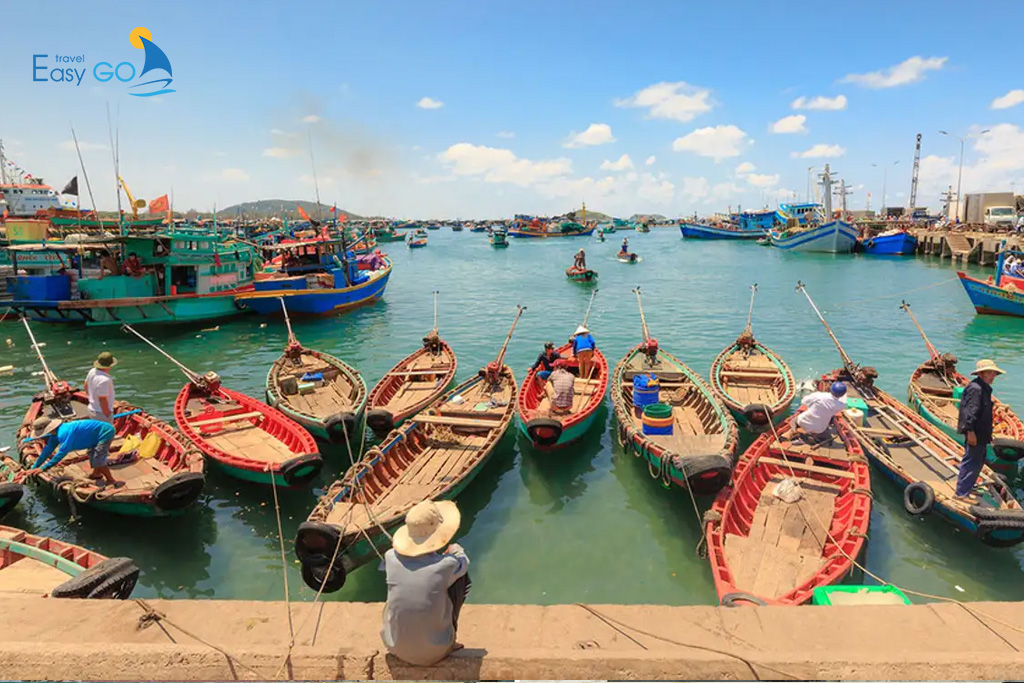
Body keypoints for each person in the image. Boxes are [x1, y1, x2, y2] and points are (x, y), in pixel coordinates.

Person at [381, 500, 470, 666]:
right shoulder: (446, 565)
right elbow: (464, 562)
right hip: (436, 651)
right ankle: (450, 638)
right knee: (461, 579)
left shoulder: (389, 556)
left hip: (394, 646)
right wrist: (454, 549)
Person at [17, 417, 121, 487]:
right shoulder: (55, 435)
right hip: (93, 436)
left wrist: (43, 468)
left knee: (98, 458)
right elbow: (47, 451)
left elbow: (62, 453)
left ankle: (111, 480)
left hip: (105, 432)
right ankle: (96, 474)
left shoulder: (64, 433)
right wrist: (34, 467)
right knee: (92, 454)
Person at [955, 360, 1004, 501]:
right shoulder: (976, 389)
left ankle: (967, 488)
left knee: (978, 461)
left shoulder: (984, 388)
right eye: (990, 373)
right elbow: (970, 413)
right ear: (981, 374)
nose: (993, 375)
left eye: (994, 373)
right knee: (971, 461)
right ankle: (961, 493)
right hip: (975, 433)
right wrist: (970, 432)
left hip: (982, 433)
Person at [85, 351, 117, 423]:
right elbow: (102, 399)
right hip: (101, 413)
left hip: (91, 408)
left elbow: (85, 385)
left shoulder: (92, 371)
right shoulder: (105, 380)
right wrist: (108, 414)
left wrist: (91, 397)